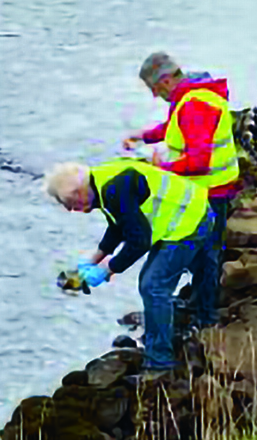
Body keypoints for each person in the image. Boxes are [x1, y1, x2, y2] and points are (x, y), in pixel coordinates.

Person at [42, 158, 211, 376]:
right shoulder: (99, 182)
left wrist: (106, 271)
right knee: (156, 284)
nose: (71, 211)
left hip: (191, 220)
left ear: (78, 193)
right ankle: (191, 319)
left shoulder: (114, 191)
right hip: (183, 213)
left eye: (69, 205)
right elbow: (118, 225)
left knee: (153, 286)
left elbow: (139, 241)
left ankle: (160, 364)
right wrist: (91, 261)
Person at [122, 52, 240, 333]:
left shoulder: (193, 105)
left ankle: (206, 317)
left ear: (164, 80)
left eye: (154, 89)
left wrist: (161, 167)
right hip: (215, 188)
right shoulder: (192, 95)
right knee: (204, 252)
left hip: (210, 192)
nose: (154, 95)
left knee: (206, 254)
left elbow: (199, 162)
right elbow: (178, 129)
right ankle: (200, 303)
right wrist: (145, 136)